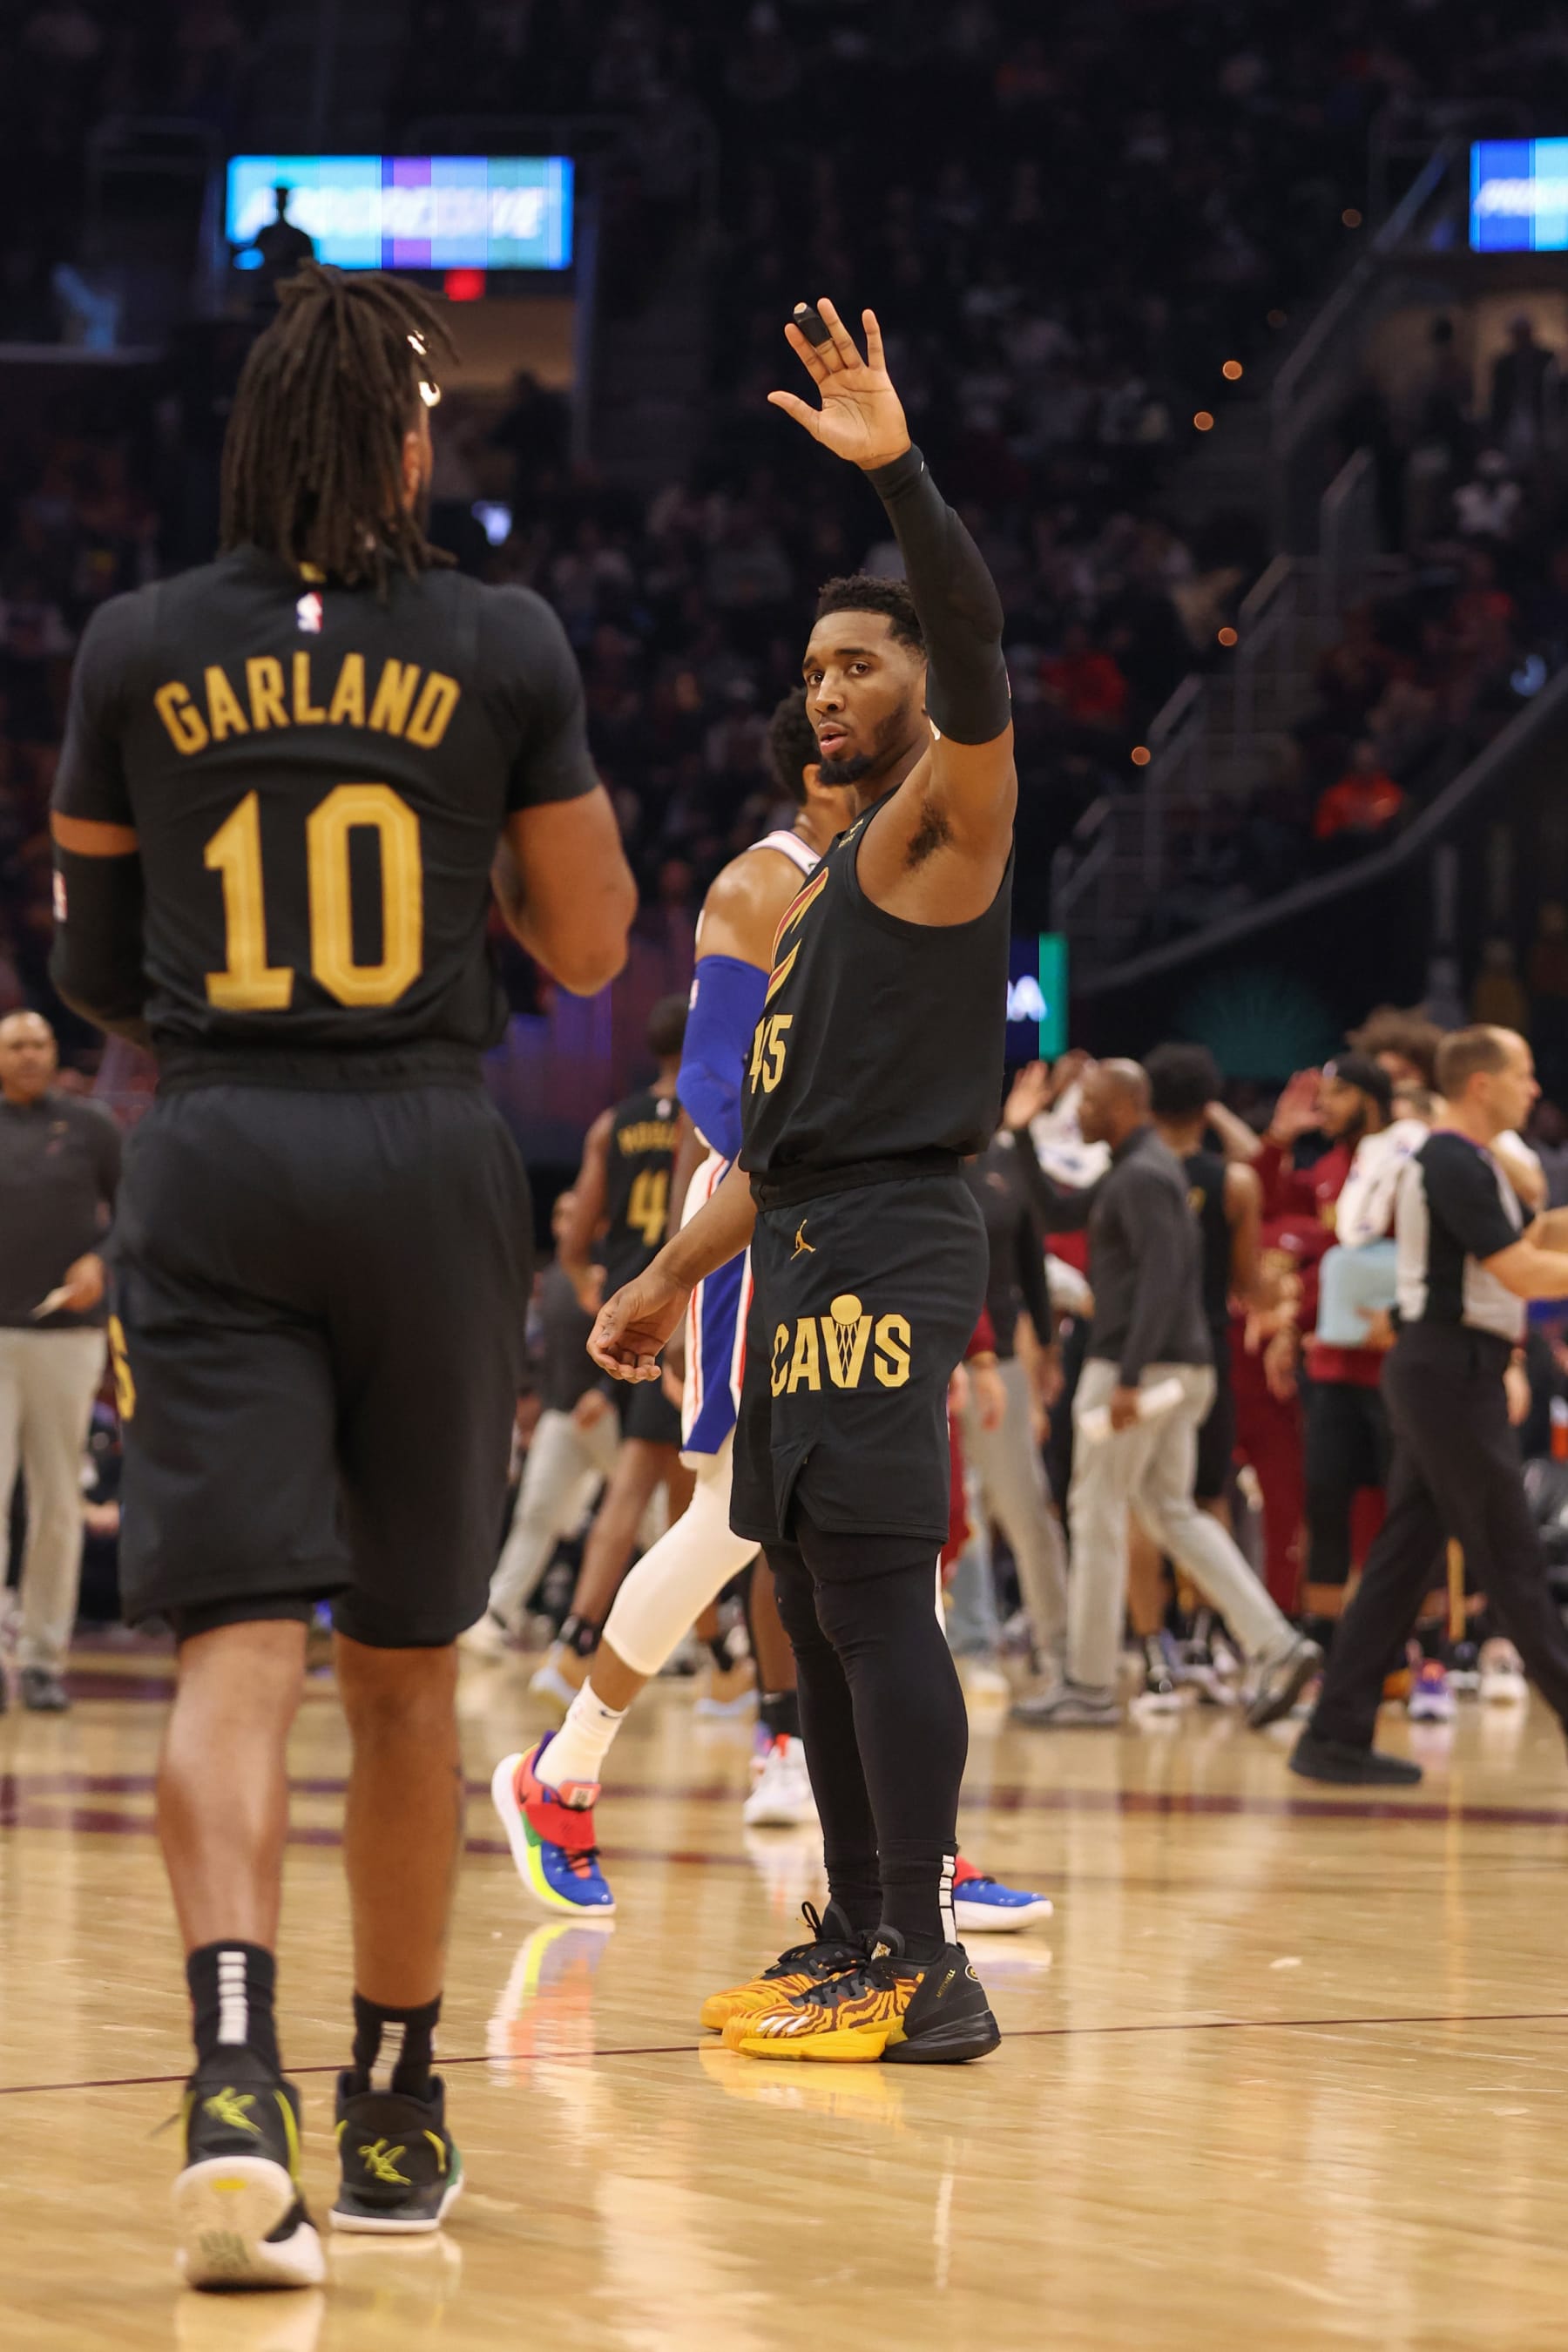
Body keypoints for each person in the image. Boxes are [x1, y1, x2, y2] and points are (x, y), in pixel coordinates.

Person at [48, 263, 636, 2287]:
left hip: (210, 1145)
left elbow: (93, 974)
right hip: (420, 1146)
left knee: (234, 1647)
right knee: (406, 1672)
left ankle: (234, 2078)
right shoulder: (502, 640)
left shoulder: (135, 643)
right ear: (409, 437)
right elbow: (583, 942)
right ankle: (394, 2093)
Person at [589, 297, 1019, 2064]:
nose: (829, 687)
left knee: (871, 1591)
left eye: (865, 662)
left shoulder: (945, 825)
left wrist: (902, 471)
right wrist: (672, 1269)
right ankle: (855, 1926)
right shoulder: (815, 893)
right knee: (805, 1600)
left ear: (924, 687)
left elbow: (978, 639)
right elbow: (780, 1144)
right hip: (807, 1234)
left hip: (899, 1237)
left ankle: (927, 1959)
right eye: (819, 668)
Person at [495, 693, 1048, 1932]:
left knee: (906, 1540)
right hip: (772, 1215)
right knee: (729, 1520)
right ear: (826, 763)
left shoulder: (904, 875)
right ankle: (560, 1769)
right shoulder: (769, 878)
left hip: (879, 1220)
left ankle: (930, 1853)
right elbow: (714, 1083)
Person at [1005, 1059, 1320, 1729]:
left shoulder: (1144, 1175)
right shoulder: (1136, 1167)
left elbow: (1166, 1279)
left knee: (1095, 1512)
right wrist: (1024, 1138)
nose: (1079, 1112)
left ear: (1122, 1106)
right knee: (1171, 1511)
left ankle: (1087, 1686)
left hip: (1137, 1369)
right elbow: (1056, 1209)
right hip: (1177, 1369)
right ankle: (1279, 1644)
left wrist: (1126, 1375)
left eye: (1089, 1102)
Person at [1291, 1028, 1568, 1786]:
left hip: (1445, 1366)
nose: (1535, 1088)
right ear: (1482, 1083)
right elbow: (1519, 1270)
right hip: (1446, 1367)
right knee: (1510, 1555)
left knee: (1403, 1559)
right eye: (1525, 1072)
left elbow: (1533, 1239)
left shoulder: (1469, 1161)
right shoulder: (1449, 1158)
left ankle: (1334, 1731)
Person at [526, 1000, 695, 1711]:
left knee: (686, 1500)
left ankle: (712, 1657)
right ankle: (578, 1644)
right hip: (679, 1321)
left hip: (629, 1314)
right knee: (644, 1493)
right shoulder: (712, 1115)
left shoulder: (612, 1124)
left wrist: (596, 1291)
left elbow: (570, 1246)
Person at [0, 1008, 120, 1711]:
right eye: (15, 1045)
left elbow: (136, 1214)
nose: (28, 1055)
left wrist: (102, 1260)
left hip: (68, 1337)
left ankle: (44, 1657)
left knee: (56, 1504)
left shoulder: (91, 1128)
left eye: (39, 1044)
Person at [461, 1191, 618, 1656]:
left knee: (649, 1524)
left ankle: (687, 1639)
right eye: (560, 1214)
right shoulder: (551, 1278)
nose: (568, 1222)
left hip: (612, 1416)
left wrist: (609, 1393)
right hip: (561, 1417)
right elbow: (543, 1354)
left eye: (578, 1212)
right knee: (536, 1514)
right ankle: (496, 1615)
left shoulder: (616, 1271)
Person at [957, 1125, 1070, 1691]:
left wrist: (1045, 1347)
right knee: (957, 1514)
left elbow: (1033, 1261)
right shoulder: (916, 1152)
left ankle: (1058, 1649)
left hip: (999, 1358)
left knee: (1026, 1506)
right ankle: (970, 1646)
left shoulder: (1007, 1161)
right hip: (925, 1358)